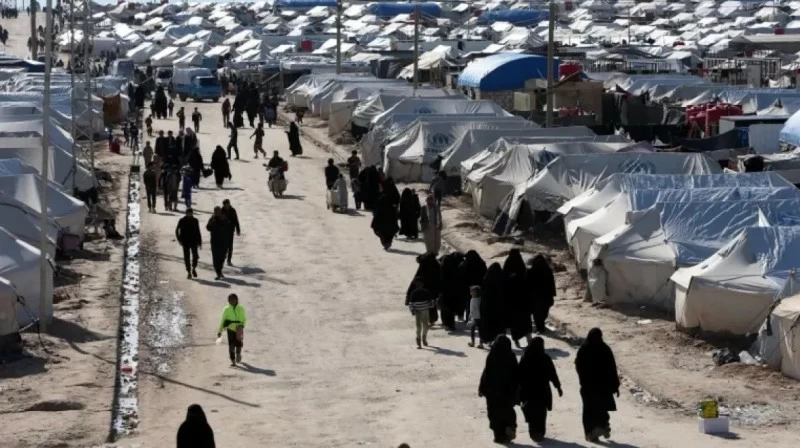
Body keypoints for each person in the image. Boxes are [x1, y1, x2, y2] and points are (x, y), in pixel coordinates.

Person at [575, 328, 620, 442]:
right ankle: (603, 426)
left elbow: (579, 367)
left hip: (588, 387)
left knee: (589, 411)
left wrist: (583, 381)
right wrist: (615, 385)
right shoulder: (604, 348)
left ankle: (592, 433)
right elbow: (612, 368)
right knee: (601, 408)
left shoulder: (584, 349)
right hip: (602, 387)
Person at [519, 337, 562, 442]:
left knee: (531, 411)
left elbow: (518, 374)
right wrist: (558, 387)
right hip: (543, 391)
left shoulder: (526, 357)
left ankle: (533, 432)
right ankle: (540, 432)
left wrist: (518, 389)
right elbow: (553, 374)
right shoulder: (545, 358)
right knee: (541, 413)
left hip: (528, 391)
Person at [479, 335, 519, 444]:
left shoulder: (492, 356)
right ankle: (510, 426)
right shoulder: (511, 356)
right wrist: (517, 390)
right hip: (507, 392)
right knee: (507, 411)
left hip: (493, 393)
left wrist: (481, 388)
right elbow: (516, 374)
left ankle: (499, 436)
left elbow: (486, 373)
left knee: (494, 414)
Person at [504, 249, 532, 348]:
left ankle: (516, 340)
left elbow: (504, 280)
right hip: (523, 301)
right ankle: (529, 341)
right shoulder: (521, 265)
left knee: (514, 323)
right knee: (526, 322)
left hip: (512, 301)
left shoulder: (507, 263)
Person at [528, 254, 556, 333]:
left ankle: (540, 327)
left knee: (536, 314)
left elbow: (527, 284)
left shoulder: (530, 271)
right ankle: (541, 326)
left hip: (534, 297)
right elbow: (551, 284)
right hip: (546, 297)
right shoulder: (548, 271)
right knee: (543, 312)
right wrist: (552, 294)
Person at [217, 293, 247, 366]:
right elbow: (223, 320)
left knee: (239, 343)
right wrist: (220, 330)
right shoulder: (226, 309)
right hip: (230, 329)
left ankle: (238, 354)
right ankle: (233, 360)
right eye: (230, 300)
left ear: (236, 300)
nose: (232, 301)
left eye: (233, 300)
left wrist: (242, 325)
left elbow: (245, 318)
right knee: (231, 346)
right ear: (228, 301)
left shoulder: (241, 308)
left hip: (239, 328)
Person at [406, 276, 436, 349]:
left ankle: (424, 337)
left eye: (420, 284)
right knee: (419, 327)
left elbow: (431, 301)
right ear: (416, 285)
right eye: (418, 284)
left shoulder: (426, 292)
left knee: (426, 326)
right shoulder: (413, 293)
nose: (419, 286)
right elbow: (411, 303)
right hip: (418, 312)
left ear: (423, 284)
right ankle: (418, 339)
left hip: (425, 311)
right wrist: (412, 310)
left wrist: (432, 305)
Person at [480, 263, 506, 344]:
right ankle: (499, 341)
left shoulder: (486, 279)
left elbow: (483, 293)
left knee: (488, 324)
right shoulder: (502, 279)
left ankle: (489, 340)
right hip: (499, 306)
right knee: (498, 324)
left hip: (488, 306)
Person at [461, 250, 487, 321]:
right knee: (478, 303)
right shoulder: (481, 263)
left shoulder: (466, 264)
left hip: (468, 287)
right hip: (479, 286)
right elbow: (485, 275)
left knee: (469, 304)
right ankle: (478, 319)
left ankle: (469, 319)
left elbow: (463, 275)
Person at [175, 208, 201, 279]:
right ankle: (189, 271)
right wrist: (179, 239)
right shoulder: (182, 220)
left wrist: (199, 241)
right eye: (188, 213)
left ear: (192, 213)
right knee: (187, 257)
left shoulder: (195, 220)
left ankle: (194, 268)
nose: (189, 214)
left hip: (194, 241)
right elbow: (177, 230)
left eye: (191, 213)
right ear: (186, 213)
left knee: (195, 256)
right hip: (185, 241)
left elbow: (198, 231)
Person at [206, 206, 229, 280]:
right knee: (216, 258)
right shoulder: (212, 219)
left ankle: (220, 270)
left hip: (223, 241)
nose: (218, 213)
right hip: (215, 241)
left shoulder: (224, 218)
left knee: (222, 257)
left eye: (219, 211)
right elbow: (208, 227)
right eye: (216, 211)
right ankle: (218, 273)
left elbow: (228, 227)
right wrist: (212, 222)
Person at [221, 199, 240, 266]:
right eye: (226, 205)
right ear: (224, 205)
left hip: (231, 230)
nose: (227, 206)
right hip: (223, 231)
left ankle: (229, 260)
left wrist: (238, 229)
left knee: (230, 246)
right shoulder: (222, 211)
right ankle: (223, 256)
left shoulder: (233, 210)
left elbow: (236, 220)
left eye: (228, 204)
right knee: (224, 245)